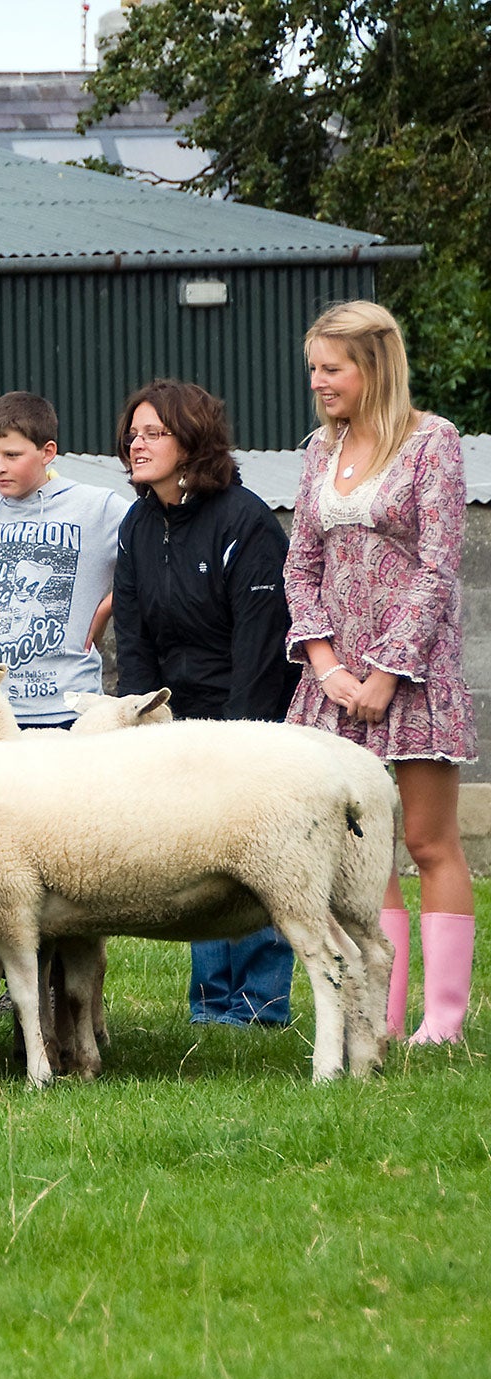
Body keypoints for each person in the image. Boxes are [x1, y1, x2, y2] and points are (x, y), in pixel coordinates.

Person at [283, 300, 476, 1044]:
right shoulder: (318, 451)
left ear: (375, 366)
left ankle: (446, 1020)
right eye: (314, 370)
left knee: (429, 842)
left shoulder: (434, 442)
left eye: (332, 369)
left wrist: (389, 673)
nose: (319, 383)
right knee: (364, 856)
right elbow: (300, 563)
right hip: (335, 680)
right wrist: (326, 664)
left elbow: (438, 566)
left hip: (415, 674)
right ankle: (381, 1016)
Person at [110, 379, 299, 1025]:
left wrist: (241, 737)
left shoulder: (245, 520)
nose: (137, 444)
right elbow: (132, 638)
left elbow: (264, 641)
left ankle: (262, 1007)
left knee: (258, 864)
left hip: (249, 722)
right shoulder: (137, 524)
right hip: (176, 727)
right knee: (201, 868)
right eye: (133, 433)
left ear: (193, 440)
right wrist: (140, 722)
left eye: (153, 433)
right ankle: (212, 1007)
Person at [0, 391, 127, 727]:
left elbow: (153, 562)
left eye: (12, 455)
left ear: (48, 452)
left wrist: (106, 607)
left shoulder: (97, 507)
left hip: (68, 710)